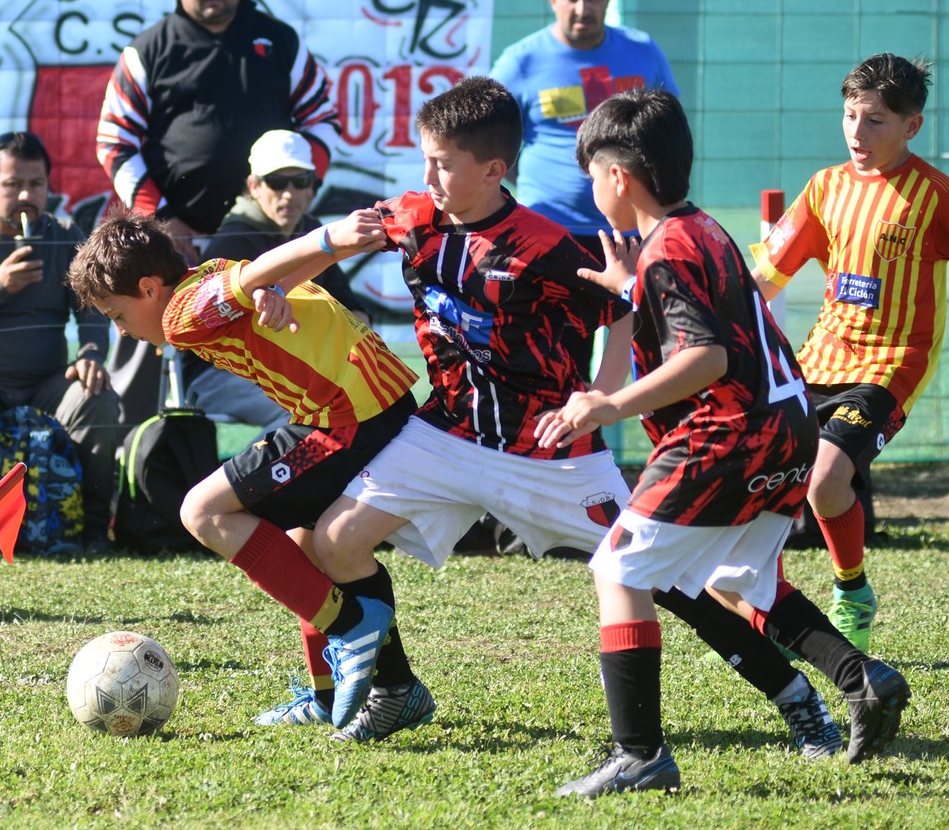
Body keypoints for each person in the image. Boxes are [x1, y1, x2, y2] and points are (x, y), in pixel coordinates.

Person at [312, 78, 845, 753]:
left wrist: (599, 396)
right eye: (426, 160)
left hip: (548, 448)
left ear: (493, 168)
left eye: (441, 162)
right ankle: (396, 691)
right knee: (334, 541)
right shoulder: (414, 216)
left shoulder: (544, 246)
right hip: (447, 431)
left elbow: (619, 308)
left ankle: (795, 697)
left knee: (665, 579)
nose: (427, 177)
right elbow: (325, 245)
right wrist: (261, 286)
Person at [536, 89, 909, 797]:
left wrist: (608, 402)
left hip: (726, 437)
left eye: (591, 177)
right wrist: (632, 285)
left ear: (618, 176)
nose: (591, 191)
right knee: (738, 579)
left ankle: (639, 755)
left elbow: (705, 356)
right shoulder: (700, 229)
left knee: (617, 571)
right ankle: (861, 678)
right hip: (789, 430)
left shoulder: (666, 251)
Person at [67, 210, 422, 738]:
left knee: (202, 511)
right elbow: (261, 277)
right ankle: (362, 692)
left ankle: (350, 625)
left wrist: (331, 239)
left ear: (148, 289)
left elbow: (258, 273)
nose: (121, 329)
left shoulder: (180, 314)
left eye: (117, 314)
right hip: (371, 403)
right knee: (302, 546)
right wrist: (276, 286)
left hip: (348, 416)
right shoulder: (208, 273)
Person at [751, 54, 949, 655]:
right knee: (759, 478)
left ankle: (851, 590)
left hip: (891, 365)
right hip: (818, 360)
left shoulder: (937, 196)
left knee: (824, 479)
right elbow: (763, 280)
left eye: (874, 121)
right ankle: (773, 607)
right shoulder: (825, 187)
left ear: (911, 126)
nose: (856, 132)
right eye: (850, 116)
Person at [95, 0, 342, 429]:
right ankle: (134, 450)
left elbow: (322, 121)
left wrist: (290, 191)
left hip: (265, 231)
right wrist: (162, 220)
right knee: (145, 339)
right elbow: (114, 140)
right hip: (170, 240)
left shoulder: (279, 41)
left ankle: (316, 438)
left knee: (299, 326)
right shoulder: (149, 49)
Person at [0, 131, 119, 550]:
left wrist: (90, 354)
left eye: (36, 184)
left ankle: (92, 527)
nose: (25, 195)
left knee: (96, 397)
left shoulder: (63, 236)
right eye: (12, 184)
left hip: (44, 383)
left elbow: (93, 307)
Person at [490, 0, 679, 375]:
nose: (582, 8)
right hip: (552, 236)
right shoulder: (521, 61)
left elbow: (668, 135)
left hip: (635, 236)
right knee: (558, 366)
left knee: (649, 358)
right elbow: (490, 145)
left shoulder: (642, 51)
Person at [178, 129, 367, 433]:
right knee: (307, 407)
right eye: (277, 182)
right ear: (254, 186)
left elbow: (353, 308)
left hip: (281, 364)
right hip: (215, 374)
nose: (289, 193)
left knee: (361, 394)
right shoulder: (233, 242)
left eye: (300, 181)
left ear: (312, 187)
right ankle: (263, 467)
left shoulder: (310, 229)